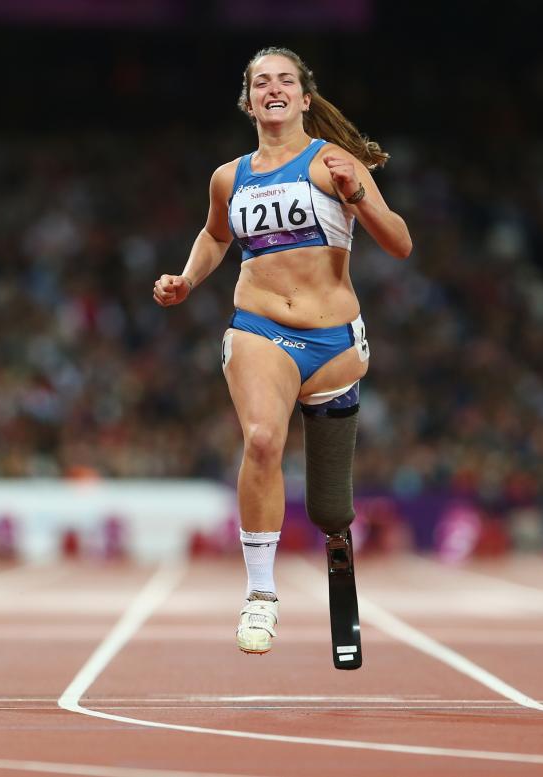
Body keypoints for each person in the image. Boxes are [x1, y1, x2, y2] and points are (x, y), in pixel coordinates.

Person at [153, 47, 412, 655]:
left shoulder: (333, 162)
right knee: (263, 439)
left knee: (329, 506)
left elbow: (399, 243)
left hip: (335, 342)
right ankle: (261, 595)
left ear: (303, 96)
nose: (273, 89)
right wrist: (188, 279)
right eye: (261, 82)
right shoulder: (229, 176)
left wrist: (360, 196)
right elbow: (216, 235)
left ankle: (335, 540)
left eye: (284, 81)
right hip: (259, 328)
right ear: (248, 101)